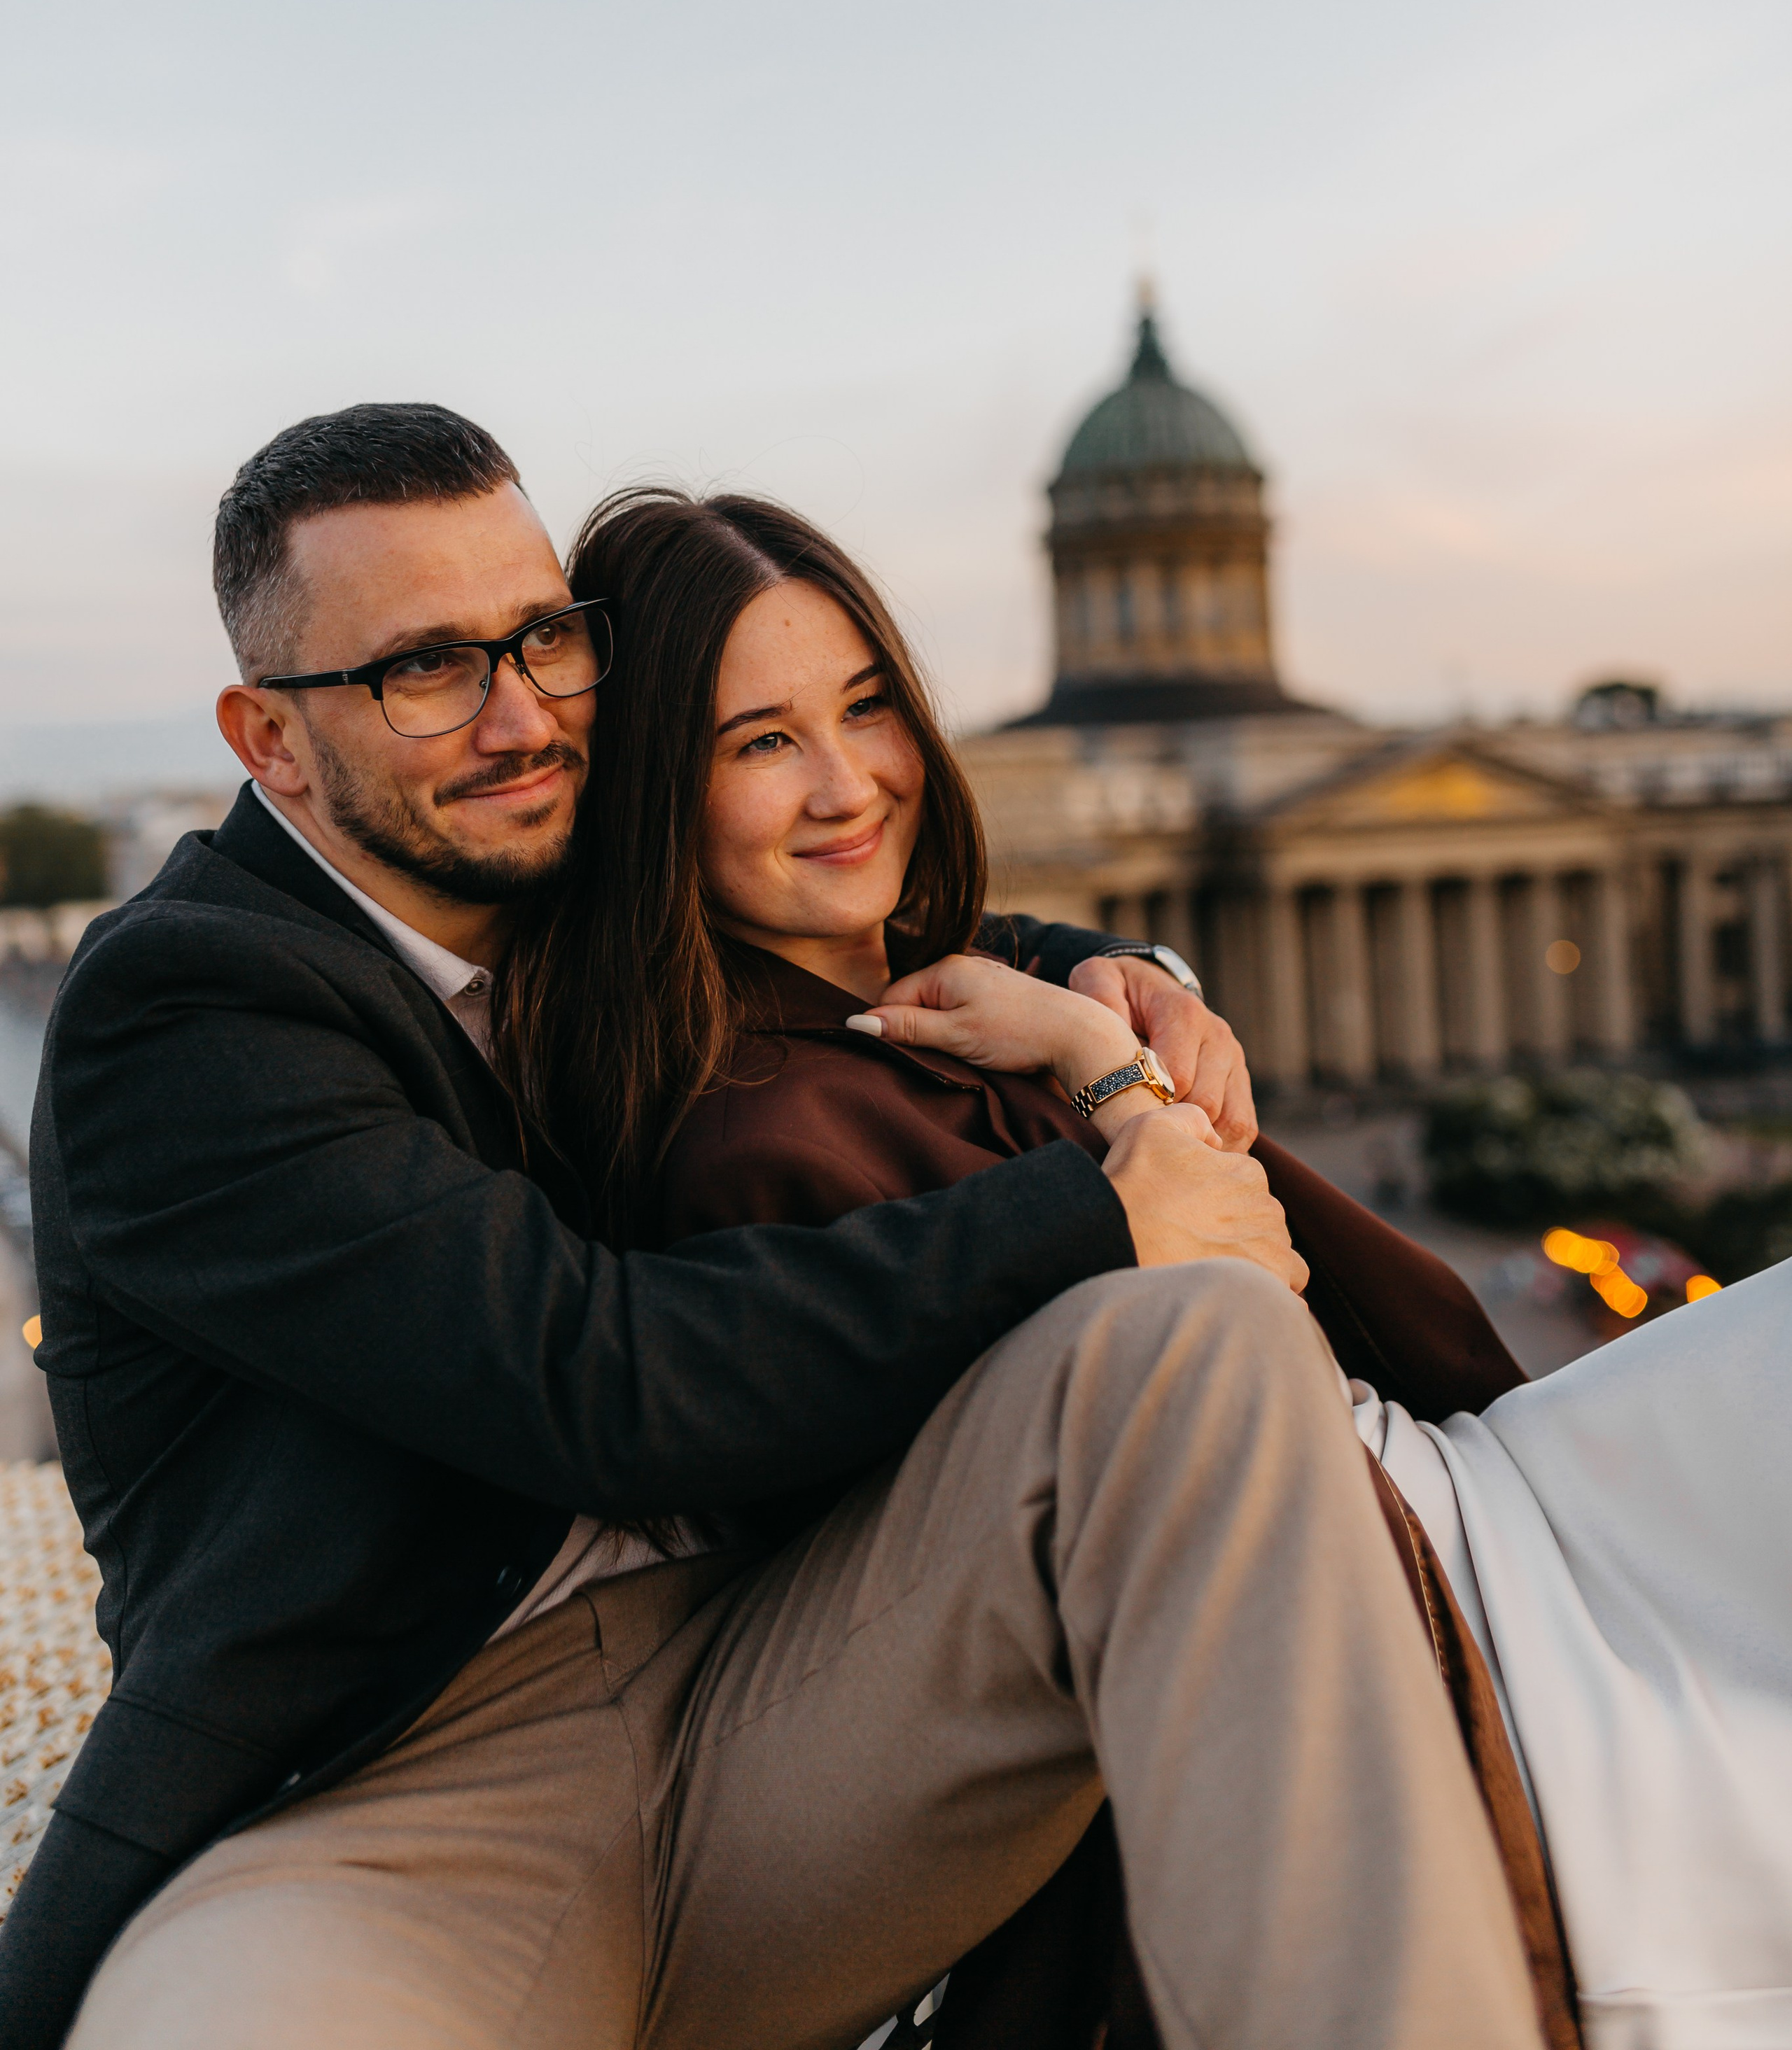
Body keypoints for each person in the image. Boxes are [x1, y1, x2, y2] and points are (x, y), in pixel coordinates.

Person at [15, 405, 1546, 2050]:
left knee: (1192, 1339)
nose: (518, 714)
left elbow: (883, 905)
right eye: (424, 668)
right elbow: (587, 1381)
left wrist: (1114, 986)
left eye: (543, 640)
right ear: (272, 740)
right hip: (397, 1804)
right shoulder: (188, 1008)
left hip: (787, 1687)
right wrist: (1099, 1197)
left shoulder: (551, 851)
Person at [515, 481, 1792, 2050]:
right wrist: (1097, 1058)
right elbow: (1232, 1321)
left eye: (866, 707)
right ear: (657, 787)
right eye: (760, 740)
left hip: (1446, 1498)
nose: (849, 783)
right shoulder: (759, 1135)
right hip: (1382, 1585)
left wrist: (1083, 990)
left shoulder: (938, 977)